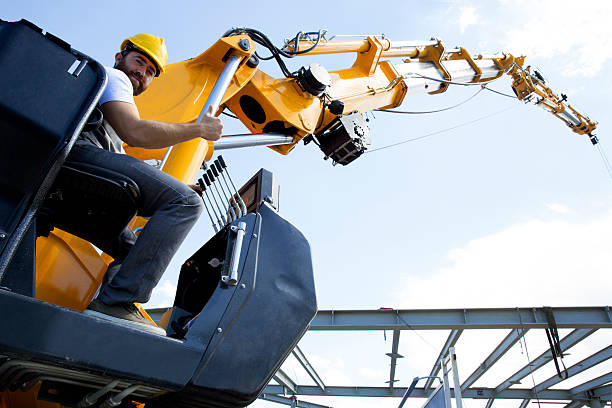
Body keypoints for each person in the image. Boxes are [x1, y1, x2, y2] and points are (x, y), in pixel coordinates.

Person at [70, 33, 222, 329]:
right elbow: (136, 132)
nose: (143, 72)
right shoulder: (113, 78)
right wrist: (199, 129)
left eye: (151, 71)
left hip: (76, 180)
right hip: (75, 158)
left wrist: (161, 186)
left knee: (132, 251)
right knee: (186, 203)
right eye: (139, 61)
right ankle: (115, 303)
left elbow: (120, 172)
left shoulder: (107, 108)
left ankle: (111, 305)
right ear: (119, 57)